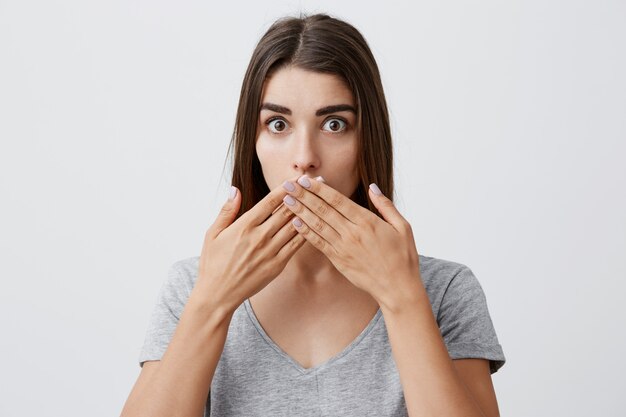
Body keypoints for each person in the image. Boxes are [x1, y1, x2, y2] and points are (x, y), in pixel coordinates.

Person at [120, 13, 506, 417]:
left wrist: (403, 297)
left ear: (368, 139)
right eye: (278, 124)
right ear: (252, 142)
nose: (304, 159)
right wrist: (212, 302)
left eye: (335, 124)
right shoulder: (191, 286)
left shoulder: (445, 291)